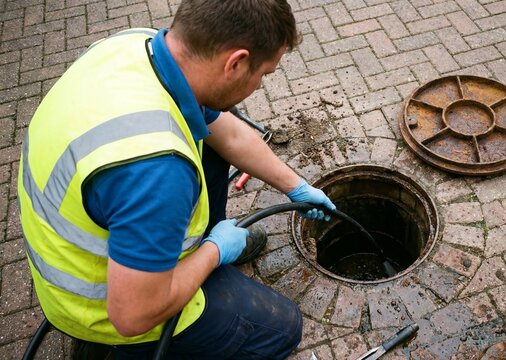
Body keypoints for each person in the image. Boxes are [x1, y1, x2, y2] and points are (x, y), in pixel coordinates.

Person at [17, 0, 336, 358]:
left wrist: (296, 187)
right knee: (283, 328)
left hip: (84, 241)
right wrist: (215, 251)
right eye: (264, 74)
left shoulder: (136, 47)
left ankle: (187, 259)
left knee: (211, 144)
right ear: (236, 62)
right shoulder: (158, 172)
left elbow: (229, 135)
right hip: (100, 306)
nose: (260, 85)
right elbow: (132, 317)